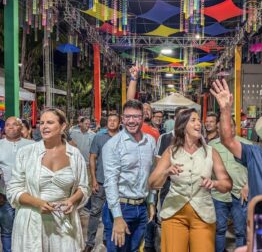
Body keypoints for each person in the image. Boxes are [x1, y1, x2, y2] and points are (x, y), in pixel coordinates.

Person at [148, 108, 232, 252]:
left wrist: (215, 183)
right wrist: (166, 172)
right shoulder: (171, 151)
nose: (199, 123)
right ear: (183, 126)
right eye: (193, 120)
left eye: (199, 120)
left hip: (203, 214)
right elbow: (152, 183)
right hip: (174, 213)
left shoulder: (211, 152)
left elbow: (227, 183)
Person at [7, 108, 90, 251]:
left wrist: (71, 200)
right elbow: (13, 189)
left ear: (63, 126)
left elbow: (84, 187)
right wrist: (37, 202)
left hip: (64, 222)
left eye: (50, 122)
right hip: (32, 221)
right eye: (41, 122)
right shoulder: (26, 153)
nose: (44, 126)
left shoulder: (75, 155)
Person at [102, 100, 156, 252]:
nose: (131, 121)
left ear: (143, 116)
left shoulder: (150, 142)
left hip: (142, 207)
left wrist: (151, 202)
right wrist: (117, 217)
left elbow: (151, 174)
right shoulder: (113, 145)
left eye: (136, 116)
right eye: (128, 117)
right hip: (120, 207)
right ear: (122, 118)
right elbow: (110, 182)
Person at [143, 106, 188, 252]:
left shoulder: (196, 139)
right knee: (165, 225)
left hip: (188, 191)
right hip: (167, 189)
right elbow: (158, 166)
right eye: (181, 117)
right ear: (175, 119)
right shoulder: (165, 138)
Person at [209, 118, 252, 252]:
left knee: (240, 231)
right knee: (219, 229)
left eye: (229, 126)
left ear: (234, 127)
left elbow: (255, 169)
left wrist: (248, 186)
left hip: (240, 195)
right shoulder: (211, 145)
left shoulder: (246, 145)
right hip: (219, 195)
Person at [83, 114, 121, 252]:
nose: (111, 123)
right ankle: (90, 242)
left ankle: (108, 238)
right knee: (95, 211)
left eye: (114, 121)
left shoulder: (123, 137)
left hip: (117, 183)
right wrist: (93, 179)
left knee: (113, 211)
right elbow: (92, 157)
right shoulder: (99, 137)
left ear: (119, 122)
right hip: (100, 180)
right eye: (110, 120)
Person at [0, 117, 34, 252]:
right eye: (7, 125)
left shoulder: (32, 146)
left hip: (27, 197)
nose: (10, 127)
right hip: (5, 197)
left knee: (26, 231)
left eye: (14, 125)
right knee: (7, 232)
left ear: (21, 128)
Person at [127, 67, 160, 142]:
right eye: (143, 109)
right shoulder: (133, 126)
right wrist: (134, 79)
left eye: (148, 109)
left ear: (152, 115)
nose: (145, 111)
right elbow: (130, 101)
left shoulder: (156, 132)